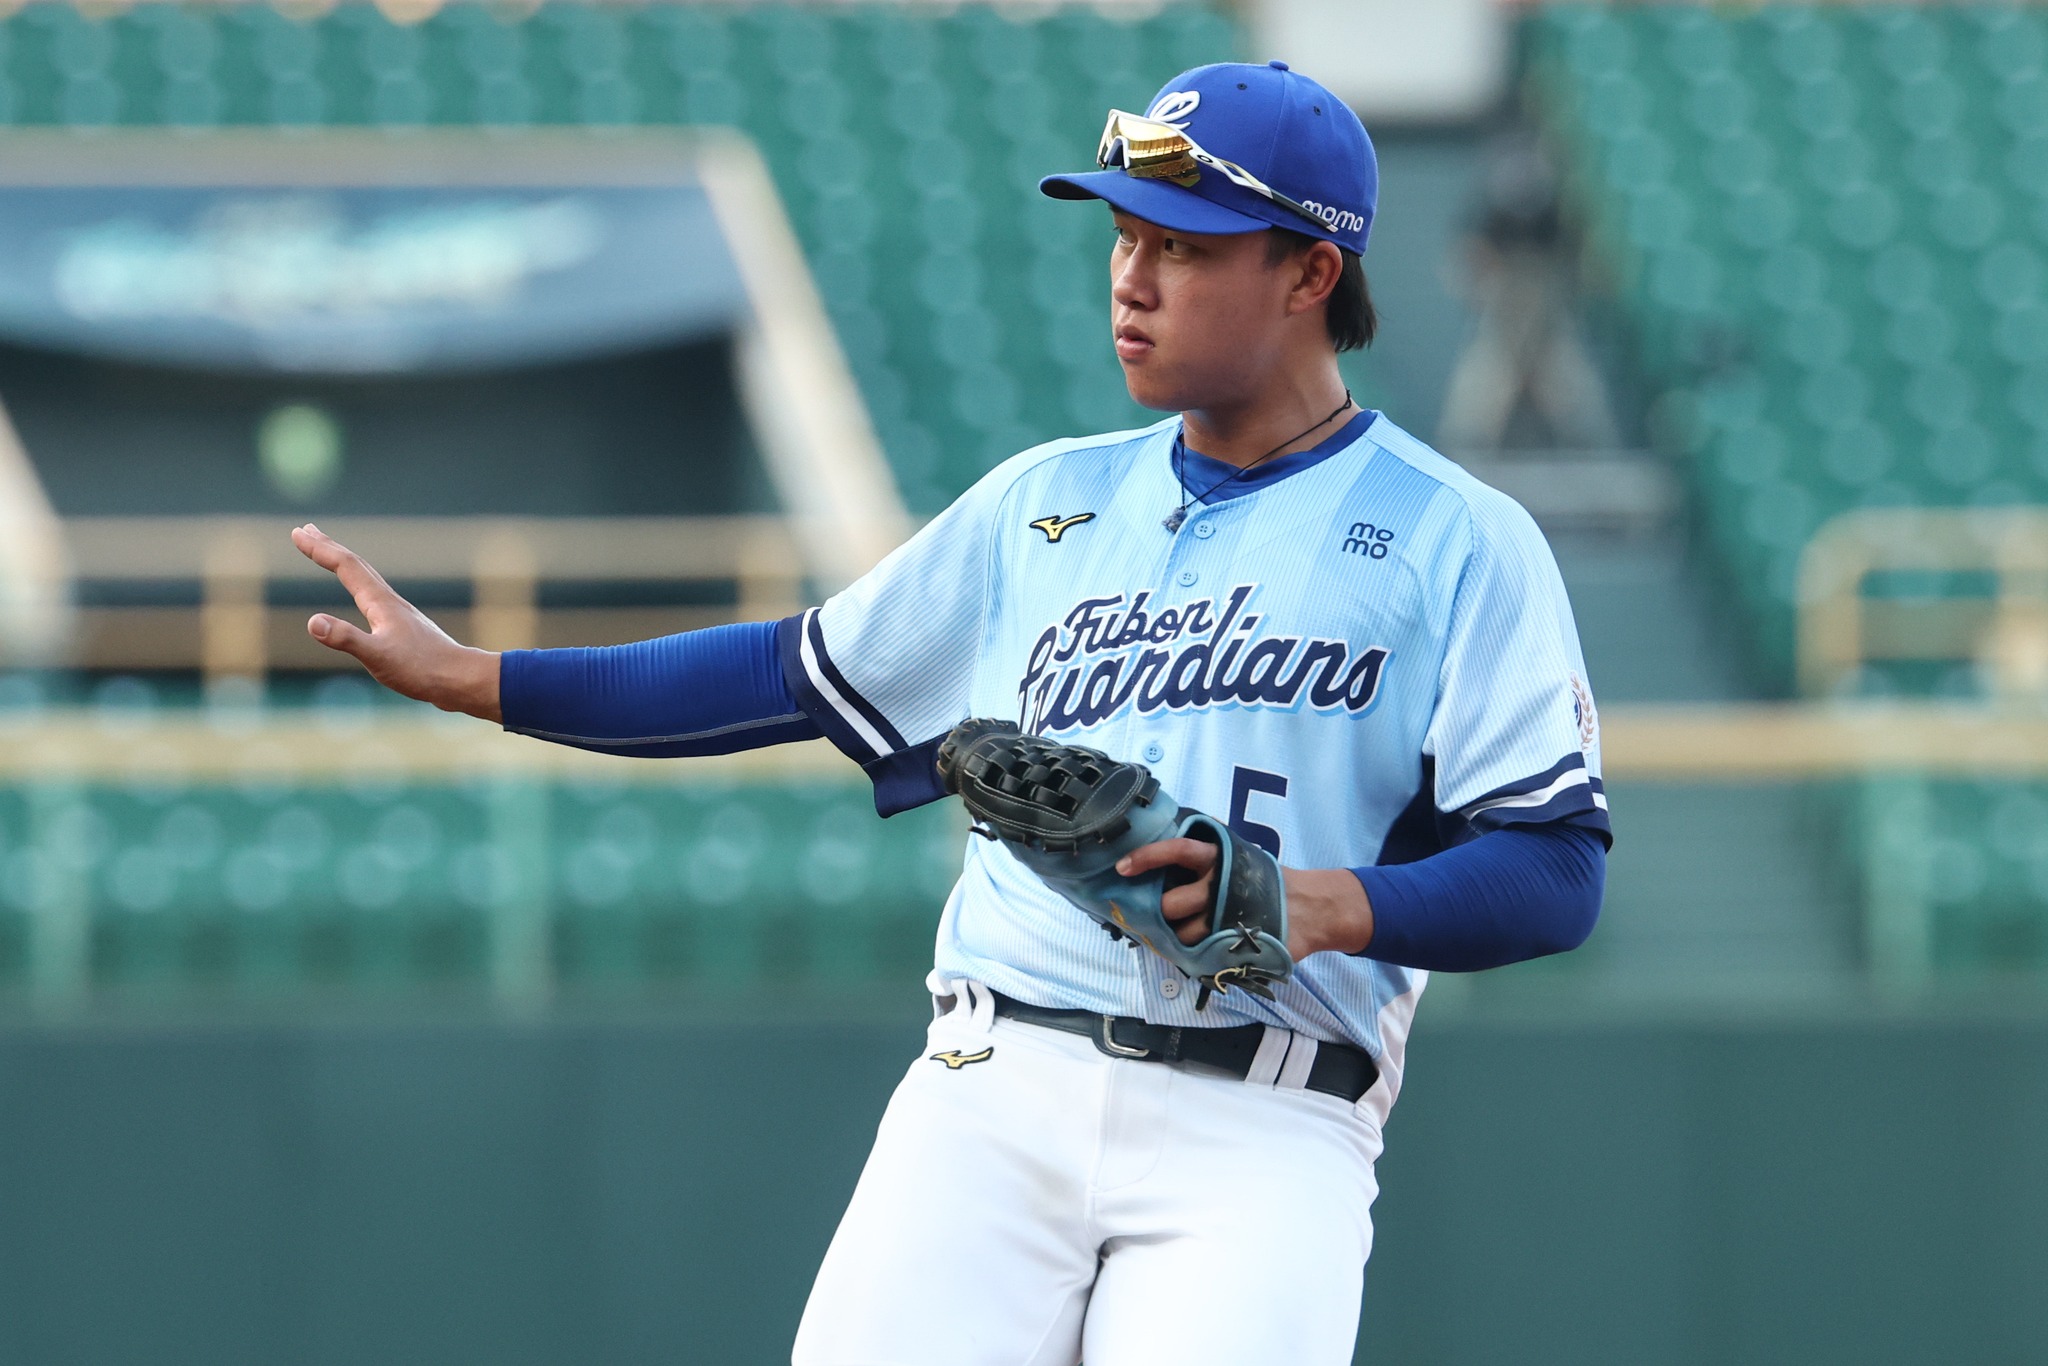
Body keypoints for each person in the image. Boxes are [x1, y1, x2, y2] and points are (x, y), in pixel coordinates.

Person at [291, 60, 1608, 1366]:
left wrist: (1313, 903)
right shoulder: (1042, 504)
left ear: (1311, 273)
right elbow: (785, 675)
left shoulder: (1458, 538)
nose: (1132, 278)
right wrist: (476, 676)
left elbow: (1556, 869)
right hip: (995, 1088)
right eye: (1126, 236)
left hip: (1267, 1124)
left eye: (1185, 248)